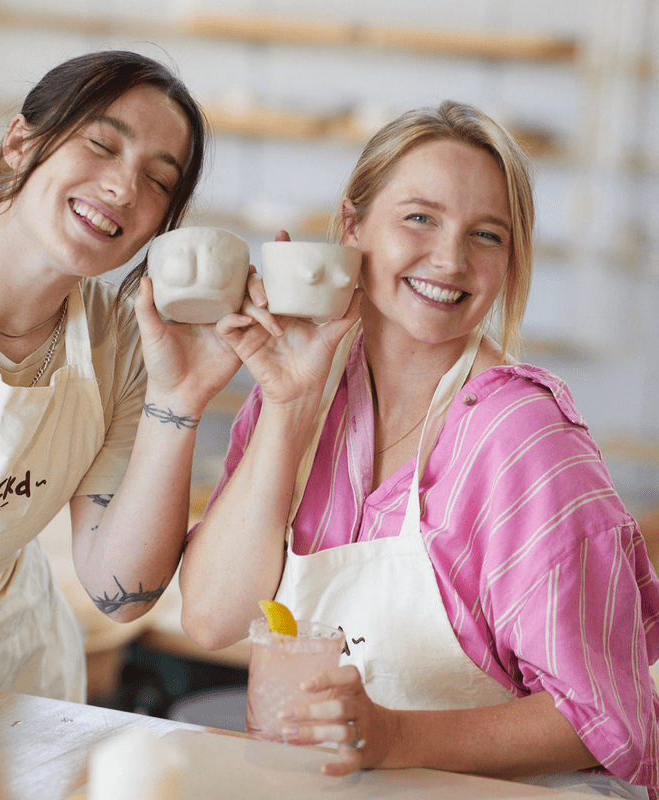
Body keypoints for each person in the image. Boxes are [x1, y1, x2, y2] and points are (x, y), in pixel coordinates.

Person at [179, 100, 659, 798]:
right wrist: (287, 406)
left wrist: (394, 737)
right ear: (352, 226)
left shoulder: (522, 437)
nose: (450, 258)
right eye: (420, 218)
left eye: (486, 235)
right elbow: (212, 616)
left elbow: (609, 721)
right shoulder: (305, 393)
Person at [0, 50, 244, 703]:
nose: (124, 188)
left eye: (158, 181)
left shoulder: (121, 344)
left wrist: (178, 401)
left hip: (4, 684)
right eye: (101, 145)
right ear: (20, 141)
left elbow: (119, 591)